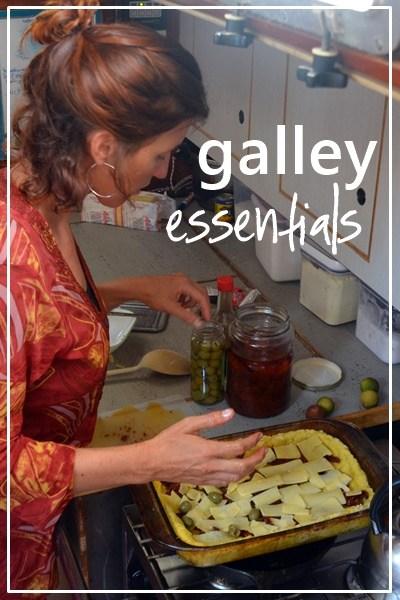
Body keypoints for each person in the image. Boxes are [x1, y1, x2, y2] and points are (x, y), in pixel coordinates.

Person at [0, 2, 266, 593]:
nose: (164, 170)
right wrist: (151, 461)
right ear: (103, 148)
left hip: (39, 521)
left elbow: (46, 319)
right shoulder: (8, 265)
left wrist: (122, 291)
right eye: (160, 154)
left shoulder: (43, 206)